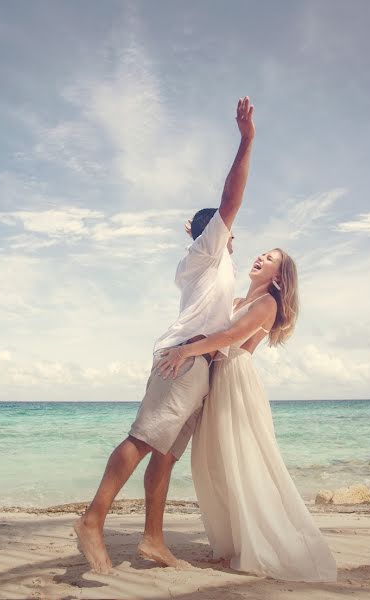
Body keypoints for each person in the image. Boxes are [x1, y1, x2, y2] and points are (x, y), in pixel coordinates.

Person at [73, 96, 256, 574]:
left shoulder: (217, 268)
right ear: (205, 232)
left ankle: (152, 539)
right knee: (143, 438)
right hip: (184, 359)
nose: (229, 231)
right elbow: (231, 198)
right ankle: (92, 521)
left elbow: (224, 314)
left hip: (199, 363)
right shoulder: (205, 252)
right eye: (221, 227)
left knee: (166, 453)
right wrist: (246, 140)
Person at [156, 248, 338, 583]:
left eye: (270, 259)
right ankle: (232, 541)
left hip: (236, 380)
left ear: (279, 277)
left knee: (243, 460)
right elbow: (209, 317)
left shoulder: (267, 303)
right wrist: (208, 239)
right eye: (262, 254)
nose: (260, 258)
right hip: (216, 380)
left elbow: (228, 338)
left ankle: (260, 542)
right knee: (212, 463)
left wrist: (183, 352)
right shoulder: (237, 300)